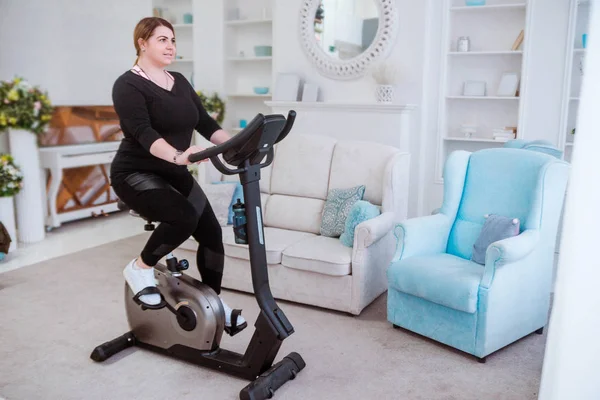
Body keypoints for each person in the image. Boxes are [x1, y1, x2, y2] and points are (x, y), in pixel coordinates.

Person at [109, 17, 246, 334]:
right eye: (162, 39)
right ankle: (139, 268)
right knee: (183, 217)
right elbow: (142, 132)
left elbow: (206, 124)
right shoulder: (127, 85)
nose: (170, 45)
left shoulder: (180, 81)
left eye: (172, 40)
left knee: (211, 233)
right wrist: (177, 155)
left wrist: (237, 145)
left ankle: (214, 304)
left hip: (174, 171)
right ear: (142, 43)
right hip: (136, 172)